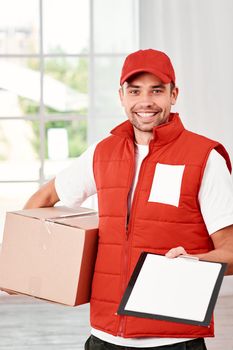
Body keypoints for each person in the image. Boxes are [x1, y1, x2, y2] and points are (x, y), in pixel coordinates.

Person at [24, 49, 233, 350]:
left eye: (157, 90)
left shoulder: (204, 158)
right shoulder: (102, 153)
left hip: (174, 340)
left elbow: (230, 251)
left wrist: (195, 263)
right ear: (121, 96)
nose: (145, 101)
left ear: (174, 95)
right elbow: (43, 199)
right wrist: (33, 267)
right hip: (104, 336)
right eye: (135, 91)